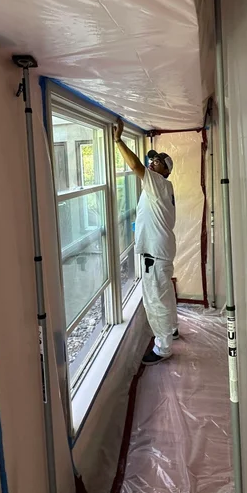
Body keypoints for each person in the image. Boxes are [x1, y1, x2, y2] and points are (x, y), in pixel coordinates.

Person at [113, 118, 178, 365]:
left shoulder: (158, 183)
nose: (153, 162)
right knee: (165, 293)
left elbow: (135, 165)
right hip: (161, 250)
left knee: (155, 298)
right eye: (153, 159)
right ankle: (171, 329)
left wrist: (118, 140)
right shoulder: (162, 187)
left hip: (155, 253)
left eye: (159, 162)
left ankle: (163, 348)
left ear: (166, 171)